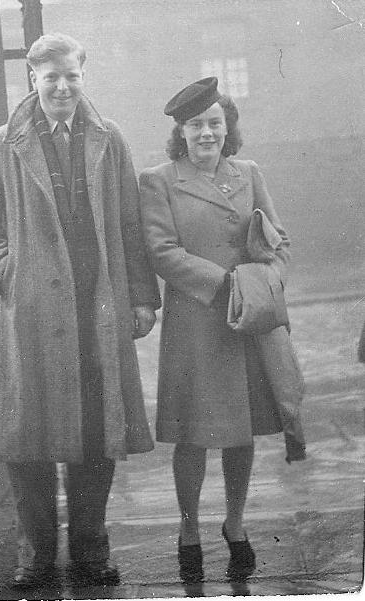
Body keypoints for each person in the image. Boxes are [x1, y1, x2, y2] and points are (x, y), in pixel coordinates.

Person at [0, 33, 160, 587]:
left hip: (97, 306)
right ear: (32, 79)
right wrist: (8, 274)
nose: (62, 87)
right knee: (27, 435)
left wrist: (142, 295)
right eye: (50, 77)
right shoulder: (3, 143)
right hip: (31, 313)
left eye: (71, 76)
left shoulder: (108, 138)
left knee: (98, 429)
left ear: (83, 76)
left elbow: (130, 225)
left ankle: (92, 549)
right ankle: (37, 552)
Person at [139, 77, 291, 583]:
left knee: (241, 430)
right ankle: (188, 529)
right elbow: (162, 252)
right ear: (180, 132)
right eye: (196, 125)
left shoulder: (249, 173)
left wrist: (268, 279)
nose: (207, 133)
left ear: (228, 128)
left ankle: (236, 523)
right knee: (195, 434)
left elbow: (277, 239)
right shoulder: (159, 181)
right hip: (198, 323)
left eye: (215, 124)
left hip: (244, 322)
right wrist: (224, 281)